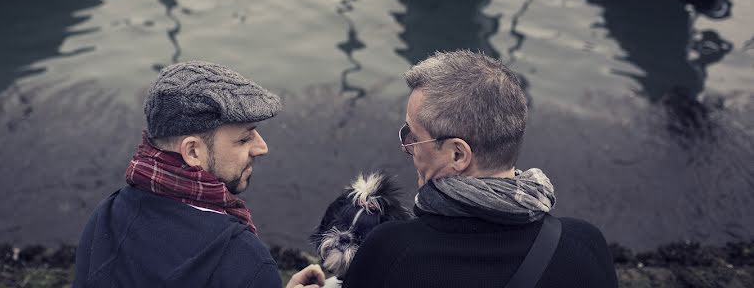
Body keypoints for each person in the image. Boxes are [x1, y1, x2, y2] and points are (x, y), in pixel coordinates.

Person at [343, 50, 618, 288]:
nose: (408, 147)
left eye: (414, 136)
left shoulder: (390, 252)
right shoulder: (584, 248)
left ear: (458, 154)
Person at [73, 61, 324, 288]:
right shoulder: (244, 262)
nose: (262, 148)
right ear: (193, 151)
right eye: (245, 138)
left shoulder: (103, 221)